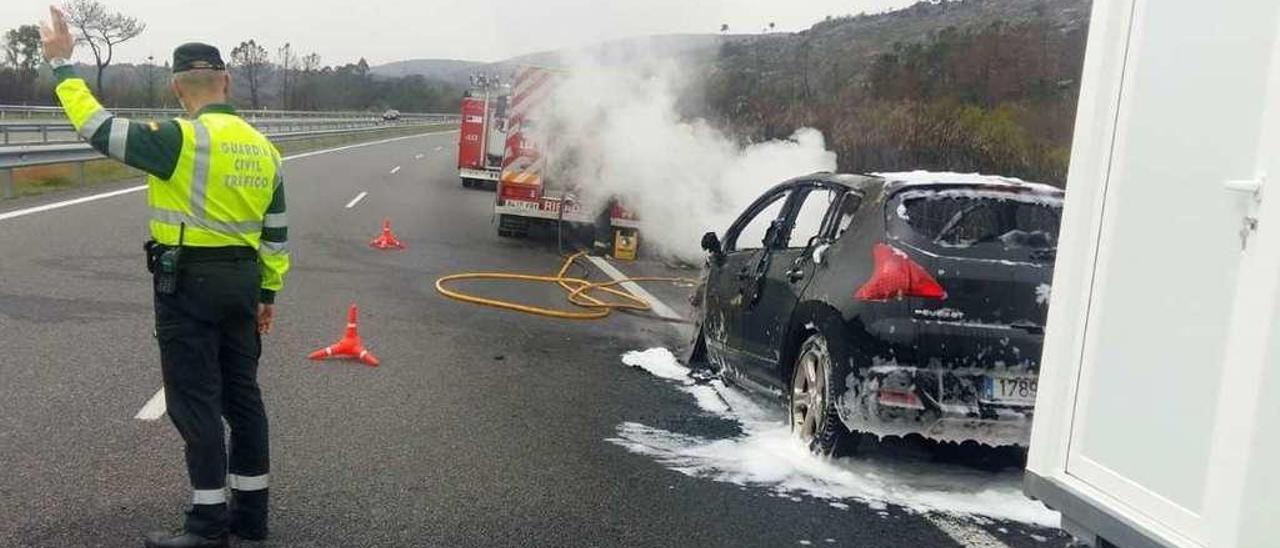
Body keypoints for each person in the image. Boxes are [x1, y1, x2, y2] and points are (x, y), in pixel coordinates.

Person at [40, 7, 290, 547]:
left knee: (194, 399)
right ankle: (252, 517)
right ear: (225, 81)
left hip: (190, 284)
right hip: (245, 282)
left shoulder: (180, 140)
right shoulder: (265, 149)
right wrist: (267, 293)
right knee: (243, 398)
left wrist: (63, 66)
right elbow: (277, 234)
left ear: (178, 88)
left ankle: (206, 525)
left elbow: (96, 128)